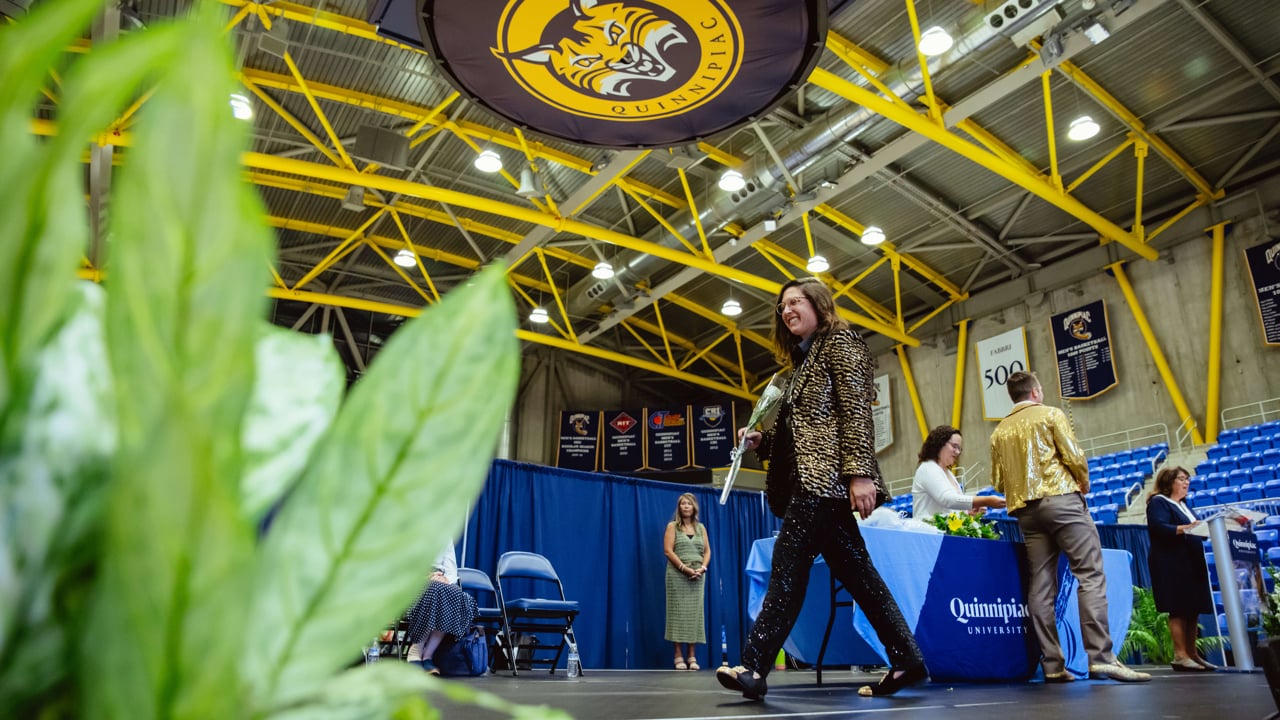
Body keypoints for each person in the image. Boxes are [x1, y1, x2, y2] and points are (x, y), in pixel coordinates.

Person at [716, 277, 927, 700]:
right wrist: (764, 441)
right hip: (808, 483)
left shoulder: (841, 343)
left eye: (796, 301)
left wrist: (860, 473)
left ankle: (754, 667)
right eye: (782, 306)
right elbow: (806, 431)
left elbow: (855, 411)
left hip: (826, 483)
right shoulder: (798, 366)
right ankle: (907, 660)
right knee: (860, 577)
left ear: (818, 303)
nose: (787, 309)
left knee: (787, 568)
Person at [989, 370, 1150, 683]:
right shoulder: (1050, 414)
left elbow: (997, 481)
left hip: (1026, 512)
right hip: (1061, 501)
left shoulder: (999, 433)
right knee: (1089, 573)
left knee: (1040, 585)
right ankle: (1101, 658)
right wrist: (1083, 481)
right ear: (1035, 392)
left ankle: (1052, 664)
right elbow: (1074, 456)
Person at [1145, 466, 1217, 672]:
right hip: (1171, 564)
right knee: (1179, 608)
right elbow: (1158, 528)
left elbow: (1196, 529)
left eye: (1188, 479)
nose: (1187, 483)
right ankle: (1180, 655)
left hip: (1192, 562)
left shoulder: (1184, 505)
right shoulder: (1158, 502)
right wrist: (1187, 528)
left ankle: (1193, 654)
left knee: (1193, 608)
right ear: (1169, 482)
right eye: (1182, 479)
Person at [405, 540, 477, 675]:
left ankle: (428, 655)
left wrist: (446, 579)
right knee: (436, 590)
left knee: (457, 595)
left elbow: (451, 568)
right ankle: (415, 651)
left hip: (440, 580)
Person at [911, 425, 1006, 520]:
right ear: (939, 443)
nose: (957, 452)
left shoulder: (948, 473)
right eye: (954, 446)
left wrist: (967, 512)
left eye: (959, 448)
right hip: (929, 532)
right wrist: (986, 501)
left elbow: (950, 507)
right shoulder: (928, 468)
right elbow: (947, 499)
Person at [664, 492, 711, 670]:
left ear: (694, 507)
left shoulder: (701, 528)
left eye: (689, 504)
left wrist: (702, 568)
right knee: (677, 613)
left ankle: (692, 655)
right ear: (679, 507)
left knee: (695, 615)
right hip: (677, 575)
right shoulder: (672, 527)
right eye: (683, 504)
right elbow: (668, 551)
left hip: (698, 575)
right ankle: (678, 655)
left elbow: (707, 551)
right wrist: (684, 568)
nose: (685, 506)